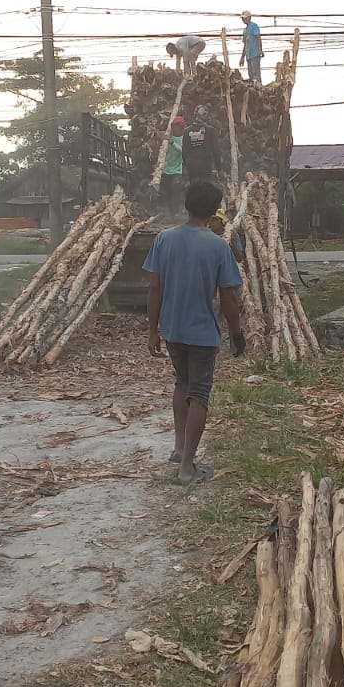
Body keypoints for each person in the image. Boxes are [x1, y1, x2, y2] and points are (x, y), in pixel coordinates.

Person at [146, 181, 246, 485]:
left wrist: (153, 331)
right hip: (202, 333)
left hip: (173, 330)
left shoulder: (164, 239)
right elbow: (228, 296)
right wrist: (236, 331)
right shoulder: (218, 245)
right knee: (199, 394)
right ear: (214, 209)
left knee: (182, 383)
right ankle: (188, 468)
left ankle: (179, 448)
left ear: (186, 205)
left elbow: (154, 288)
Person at [182, 105, 221, 186]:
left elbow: (184, 152)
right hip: (205, 167)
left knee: (195, 189)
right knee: (204, 190)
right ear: (206, 116)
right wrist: (218, 168)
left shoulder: (187, 131)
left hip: (192, 167)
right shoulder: (211, 130)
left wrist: (187, 166)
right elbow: (216, 151)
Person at [161, 115, 186, 203]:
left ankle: (175, 211)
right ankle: (166, 210)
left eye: (178, 127)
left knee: (175, 189)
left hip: (177, 170)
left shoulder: (184, 139)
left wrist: (172, 143)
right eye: (175, 127)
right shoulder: (167, 138)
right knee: (164, 190)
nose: (176, 129)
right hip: (166, 169)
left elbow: (183, 151)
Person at [239, 11, 264, 84]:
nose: (243, 20)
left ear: (249, 18)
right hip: (248, 55)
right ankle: (253, 87)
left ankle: (258, 87)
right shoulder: (245, 30)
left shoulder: (254, 26)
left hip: (255, 53)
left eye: (245, 18)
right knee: (251, 74)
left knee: (256, 73)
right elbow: (245, 44)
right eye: (243, 19)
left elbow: (258, 38)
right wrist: (242, 57)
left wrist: (260, 50)